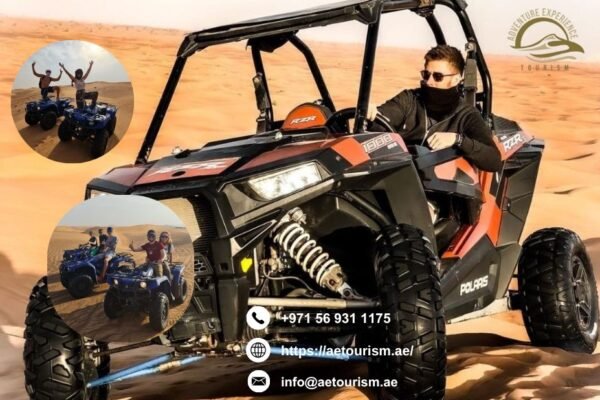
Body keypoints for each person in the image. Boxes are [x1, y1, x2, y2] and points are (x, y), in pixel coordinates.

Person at [367, 45, 502, 172]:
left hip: (440, 185)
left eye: (438, 76)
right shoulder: (409, 99)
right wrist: (372, 115)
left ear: (456, 79)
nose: (429, 81)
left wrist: (458, 140)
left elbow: (494, 160)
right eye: (426, 74)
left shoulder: (466, 115)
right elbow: (385, 118)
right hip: (399, 174)